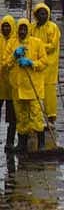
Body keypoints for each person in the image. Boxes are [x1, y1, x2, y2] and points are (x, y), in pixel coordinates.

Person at [7, 18, 47, 153]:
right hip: (17, 88)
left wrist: (31, 63)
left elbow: (44, 62)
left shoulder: (37, 43)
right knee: (21, 117)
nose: (22, 31)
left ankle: (41, 144)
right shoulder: (12, 44)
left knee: (36, 116)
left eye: (25, 29)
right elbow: (6, 64)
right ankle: (22, 144)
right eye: (20, 29)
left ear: (28, 30)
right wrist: (14, 55)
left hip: (33, 86)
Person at [30, 4, 60, 126]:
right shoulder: (32, 28)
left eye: (45, 14)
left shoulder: (53, 28)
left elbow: (52, 46)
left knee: (49, 92)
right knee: (36, 91)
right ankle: (37, 117)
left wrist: (38, 47)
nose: (43, 16)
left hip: (49, 66)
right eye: (40, 14)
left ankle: (51, 117)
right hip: (36, 65)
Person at [0, 16, 18, 152]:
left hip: (12, 85)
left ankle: (10, 141)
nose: (6, 29)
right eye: (4, 26)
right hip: (0, 84)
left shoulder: (16, 42)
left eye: (8, 26)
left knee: (12, 117)